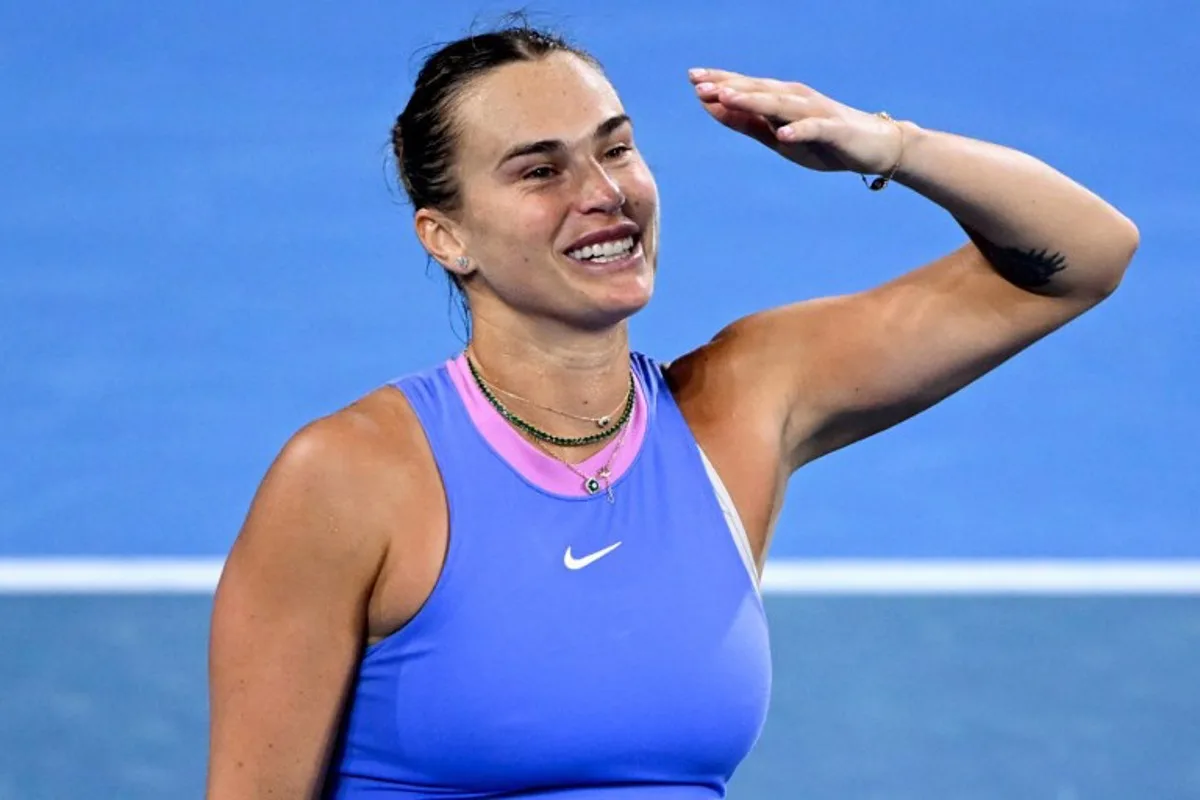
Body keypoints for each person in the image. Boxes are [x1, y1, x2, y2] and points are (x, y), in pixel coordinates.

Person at [204, 19, 1139, 800]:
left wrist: (886, 146)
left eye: (615, 147)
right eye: (540, 171)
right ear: (447, 237)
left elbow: (1085, 256)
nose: (604, 195)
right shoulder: (350, 476)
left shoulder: (743, 405)